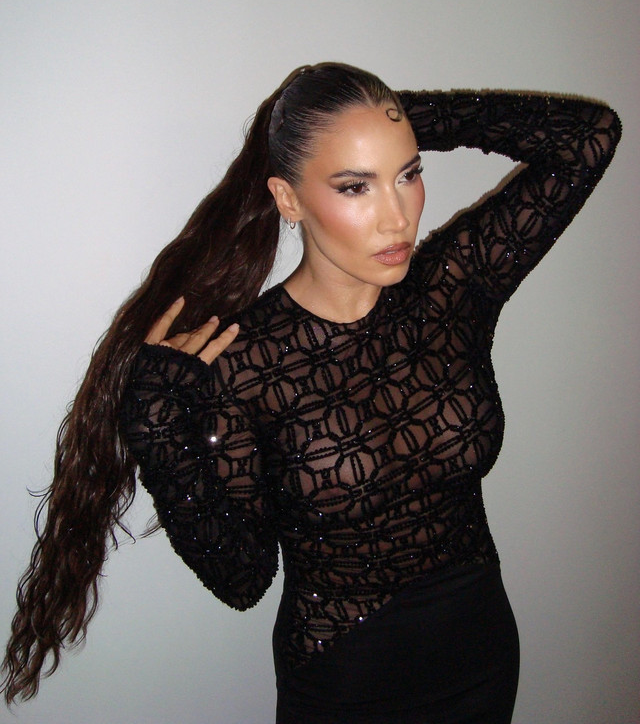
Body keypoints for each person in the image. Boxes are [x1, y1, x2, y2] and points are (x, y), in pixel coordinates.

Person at [1, 63, 621, 722]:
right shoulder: (242, 362)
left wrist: (402, 117)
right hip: (345, 684)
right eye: (355, 185)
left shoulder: (451, 292)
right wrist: (158, 427)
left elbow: (589, 135)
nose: (397, 216)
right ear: (288, 198)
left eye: (407, 174)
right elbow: (242, 579)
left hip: (481, 658)